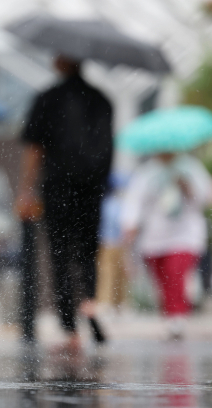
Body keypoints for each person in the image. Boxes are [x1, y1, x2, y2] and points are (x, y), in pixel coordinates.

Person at [15, 55, 113, 350]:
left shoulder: (48, 98)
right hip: (92, 188)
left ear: (62, 62)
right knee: (87, 249)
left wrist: (26, 190)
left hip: (57, 186)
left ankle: (70, 329)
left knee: (60, 253)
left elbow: (35, 149)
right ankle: (90, 305)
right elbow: (109, 147)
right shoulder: (103, 100)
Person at [121, 152, 212, 339]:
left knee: (175, 273)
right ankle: (171, 315)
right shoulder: (147, 173)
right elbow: (134, 201)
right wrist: (130, 224)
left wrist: (187, 187)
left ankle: (178, 317)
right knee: (163, 280)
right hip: (154, 237)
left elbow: (205, 197)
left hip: (185, 235)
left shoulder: (191, 168)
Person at [96, 174, 129, 312]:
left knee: (106, 274)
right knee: (119, 275)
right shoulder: (119, 204)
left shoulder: (102, 203)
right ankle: (118, 303)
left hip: (105, 242)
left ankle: (106, 302)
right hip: (118, 243)